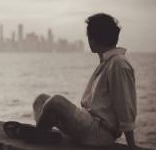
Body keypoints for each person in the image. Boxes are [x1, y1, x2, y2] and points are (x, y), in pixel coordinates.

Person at [32, 13, 137, 148]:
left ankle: (38, 136)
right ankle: (44, 134)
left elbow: (125, 106)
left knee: (56, 101)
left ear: (93, 39)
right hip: (89, 124)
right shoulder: (108, 61)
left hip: (101, 134)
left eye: (88, 36)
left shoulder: (118, 64)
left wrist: (132, 146)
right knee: (41, 100)